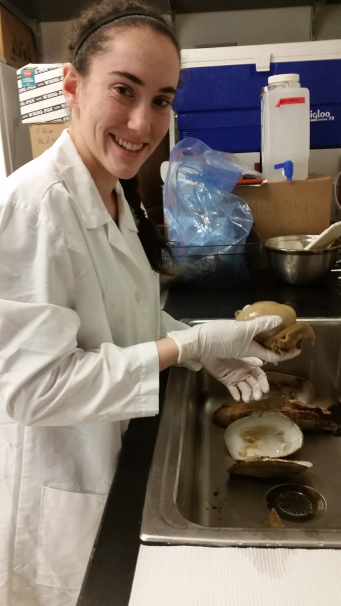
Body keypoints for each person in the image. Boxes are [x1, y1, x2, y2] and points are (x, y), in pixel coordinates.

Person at [0, 2, 294, 604]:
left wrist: (198, 352)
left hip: (113, 461)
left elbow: (126, 314)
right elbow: (34, 388)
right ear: (72, 85)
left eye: (162, 98)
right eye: (123, 90)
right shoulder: (34, 210)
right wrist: (187, 344)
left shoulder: (111, 192)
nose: (142, 121)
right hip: (61, 491)